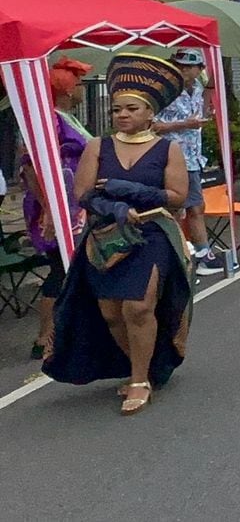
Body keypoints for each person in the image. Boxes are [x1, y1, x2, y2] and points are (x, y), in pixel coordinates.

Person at [44, 54, 191, 417]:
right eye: (117, 109)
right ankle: (143, 364)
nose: (122, 115)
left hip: (152, 233)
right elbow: (83, 193)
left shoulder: (167, 149)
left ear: (149, 113)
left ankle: (140, 380)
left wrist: (134, 191)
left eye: (131, 109)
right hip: (106, 235)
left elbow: (177, 197)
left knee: (138, 306)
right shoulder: (98, 147)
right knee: (111, 313)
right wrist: (113, 207)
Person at [18, 58, 92, 360]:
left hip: (73, 203)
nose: (84, 89)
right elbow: (29, 167)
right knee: (60, 269)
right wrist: (49, 206)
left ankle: (70, 329)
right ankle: (44, 336)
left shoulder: (65, 117)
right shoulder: (48, 120)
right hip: (54, 207)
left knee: (72, 266)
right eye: (79, 83)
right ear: (67, 89)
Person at [153, 48, 227, 275]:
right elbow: (152, 126)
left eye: (188, 67)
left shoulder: (197, 89)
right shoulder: (164, 90)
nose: (183, 70)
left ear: (199, 70)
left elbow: (201, 113)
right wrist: (184, 124)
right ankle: (175, 257)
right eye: (179, 65)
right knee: (174, 209)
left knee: (196, 206)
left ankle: (203, 253)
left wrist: (211, 90)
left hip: (193, 158)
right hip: (170, 159)